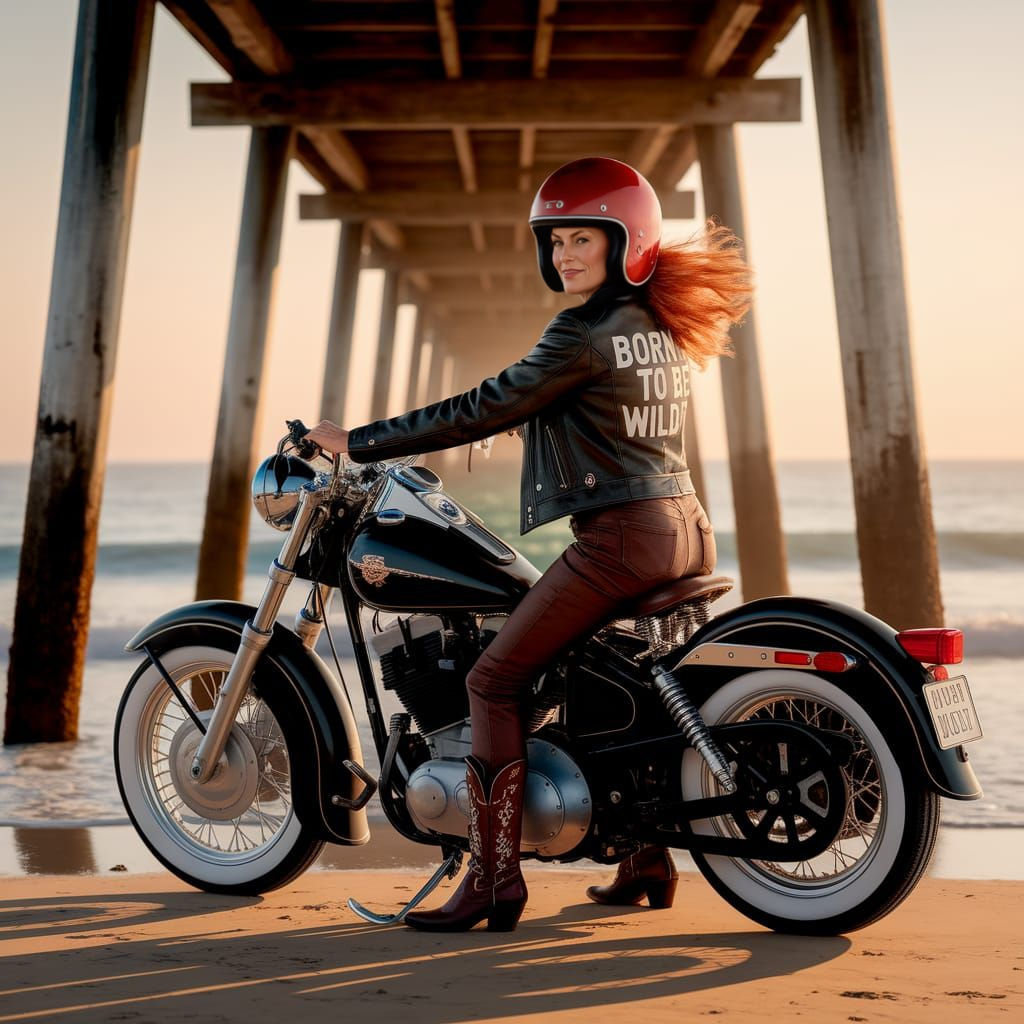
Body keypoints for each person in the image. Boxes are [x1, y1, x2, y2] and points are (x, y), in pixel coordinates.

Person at [306, 157, 751, 932]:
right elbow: (595, 416)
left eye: (584, 238)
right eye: (556, 241)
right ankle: (646, 859)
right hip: (683, 527)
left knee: (492, 680)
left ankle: (492, 879)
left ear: (628, 241)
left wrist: (359, 441)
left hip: (622, 540)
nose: (566, 255)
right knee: (614, 684)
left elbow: (485, 402)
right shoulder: (654, 324)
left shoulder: (581, 330)